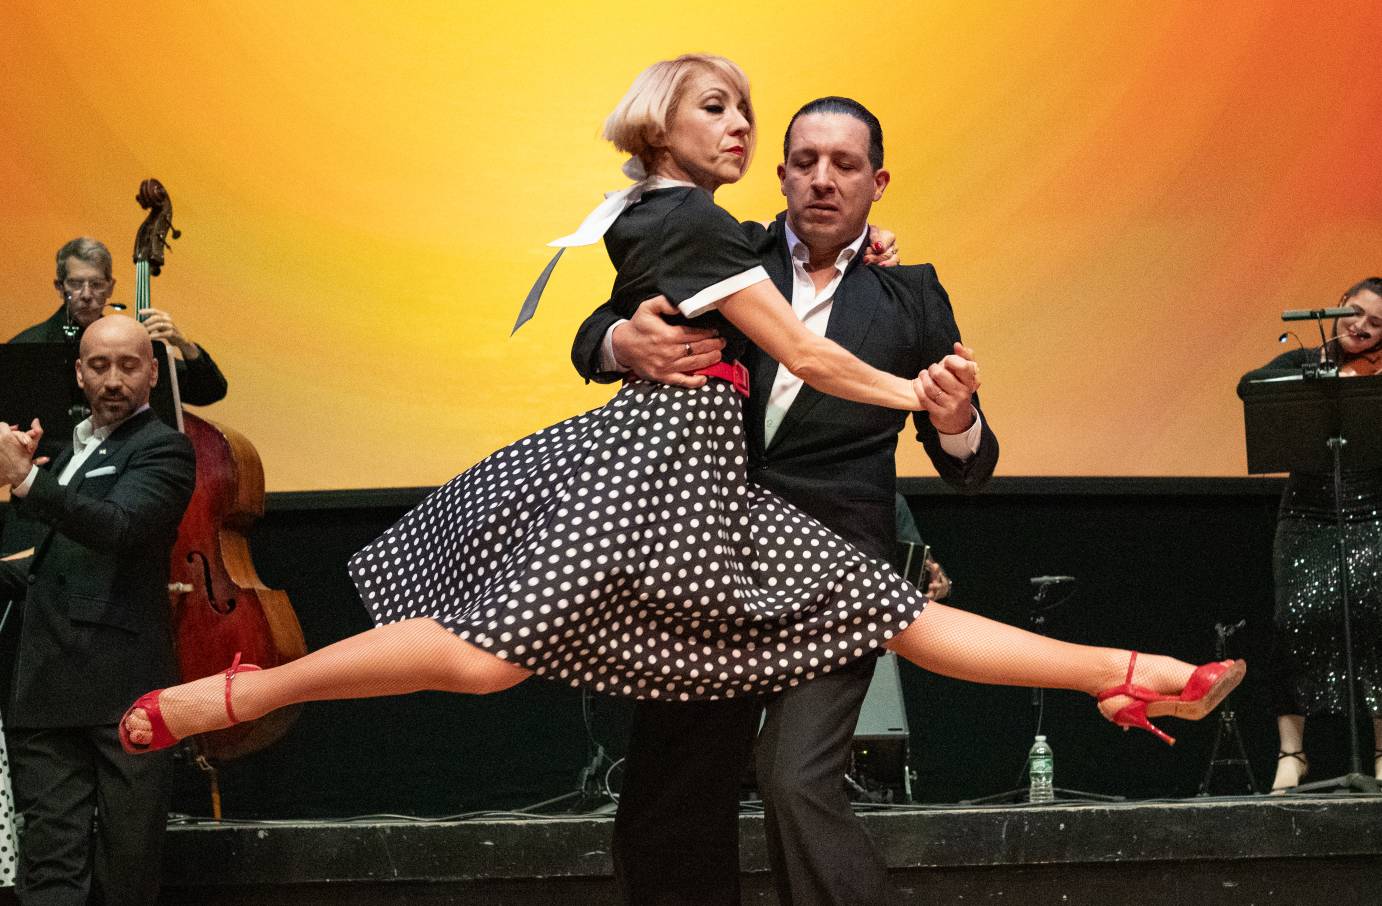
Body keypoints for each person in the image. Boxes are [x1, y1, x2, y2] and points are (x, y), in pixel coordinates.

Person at [118, 57, 1243, 843]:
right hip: (661, 478)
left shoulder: (753, 241)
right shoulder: (706, 227)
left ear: (871, 183)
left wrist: (938, 404)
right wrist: (893, 383)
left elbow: (949, 445)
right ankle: (242, 690)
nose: (756, 139)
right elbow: (789, 350)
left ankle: (1132, 674)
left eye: (759, 117)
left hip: (725, 498)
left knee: (888, 615)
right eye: (728, 113)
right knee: (485, 656)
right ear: (661, 123)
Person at [568, 94, 995, 905]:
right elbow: (599, 324)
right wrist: (623, 341)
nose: (823, 180)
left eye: (844, 165)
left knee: (795, 781)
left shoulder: (912, 295)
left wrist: (956, 414)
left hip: (832, 577)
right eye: (805, 163)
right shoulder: (732, 250)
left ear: (879, 182)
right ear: (781, 174)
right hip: (710, 565)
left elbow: (968, 463)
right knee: (672, 797)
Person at [0, 315, 197, 905]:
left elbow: (121, 527)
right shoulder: (65, 452)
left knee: (126, 871)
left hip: (123, 694)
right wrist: (26, 487)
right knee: (51, 870)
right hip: (46, 688)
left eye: (129, 365)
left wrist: (30, 486)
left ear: (153, 374)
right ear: (79, 373)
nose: (114, 379)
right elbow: (42, 565)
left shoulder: (166, 448)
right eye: (100, 366)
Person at [1240, 277, 1382, 793]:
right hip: (1305, 516)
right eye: (1355, 312)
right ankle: (1292, 755)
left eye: (1376, 323)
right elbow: (1248, 385)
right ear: (1340, 304)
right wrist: (1313, 365)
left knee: (1375, 624)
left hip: (1373, 514)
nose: (1361, 327)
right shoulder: (1308, 361)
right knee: (1291, 627)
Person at [8, 236, 228, 407]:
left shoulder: (129, 346)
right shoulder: (24, 348)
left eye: (96, 284)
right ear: (59, 287)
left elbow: (209, 391)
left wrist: (183, 343)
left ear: (110, 287)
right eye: (76, 283)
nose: (86, 294)